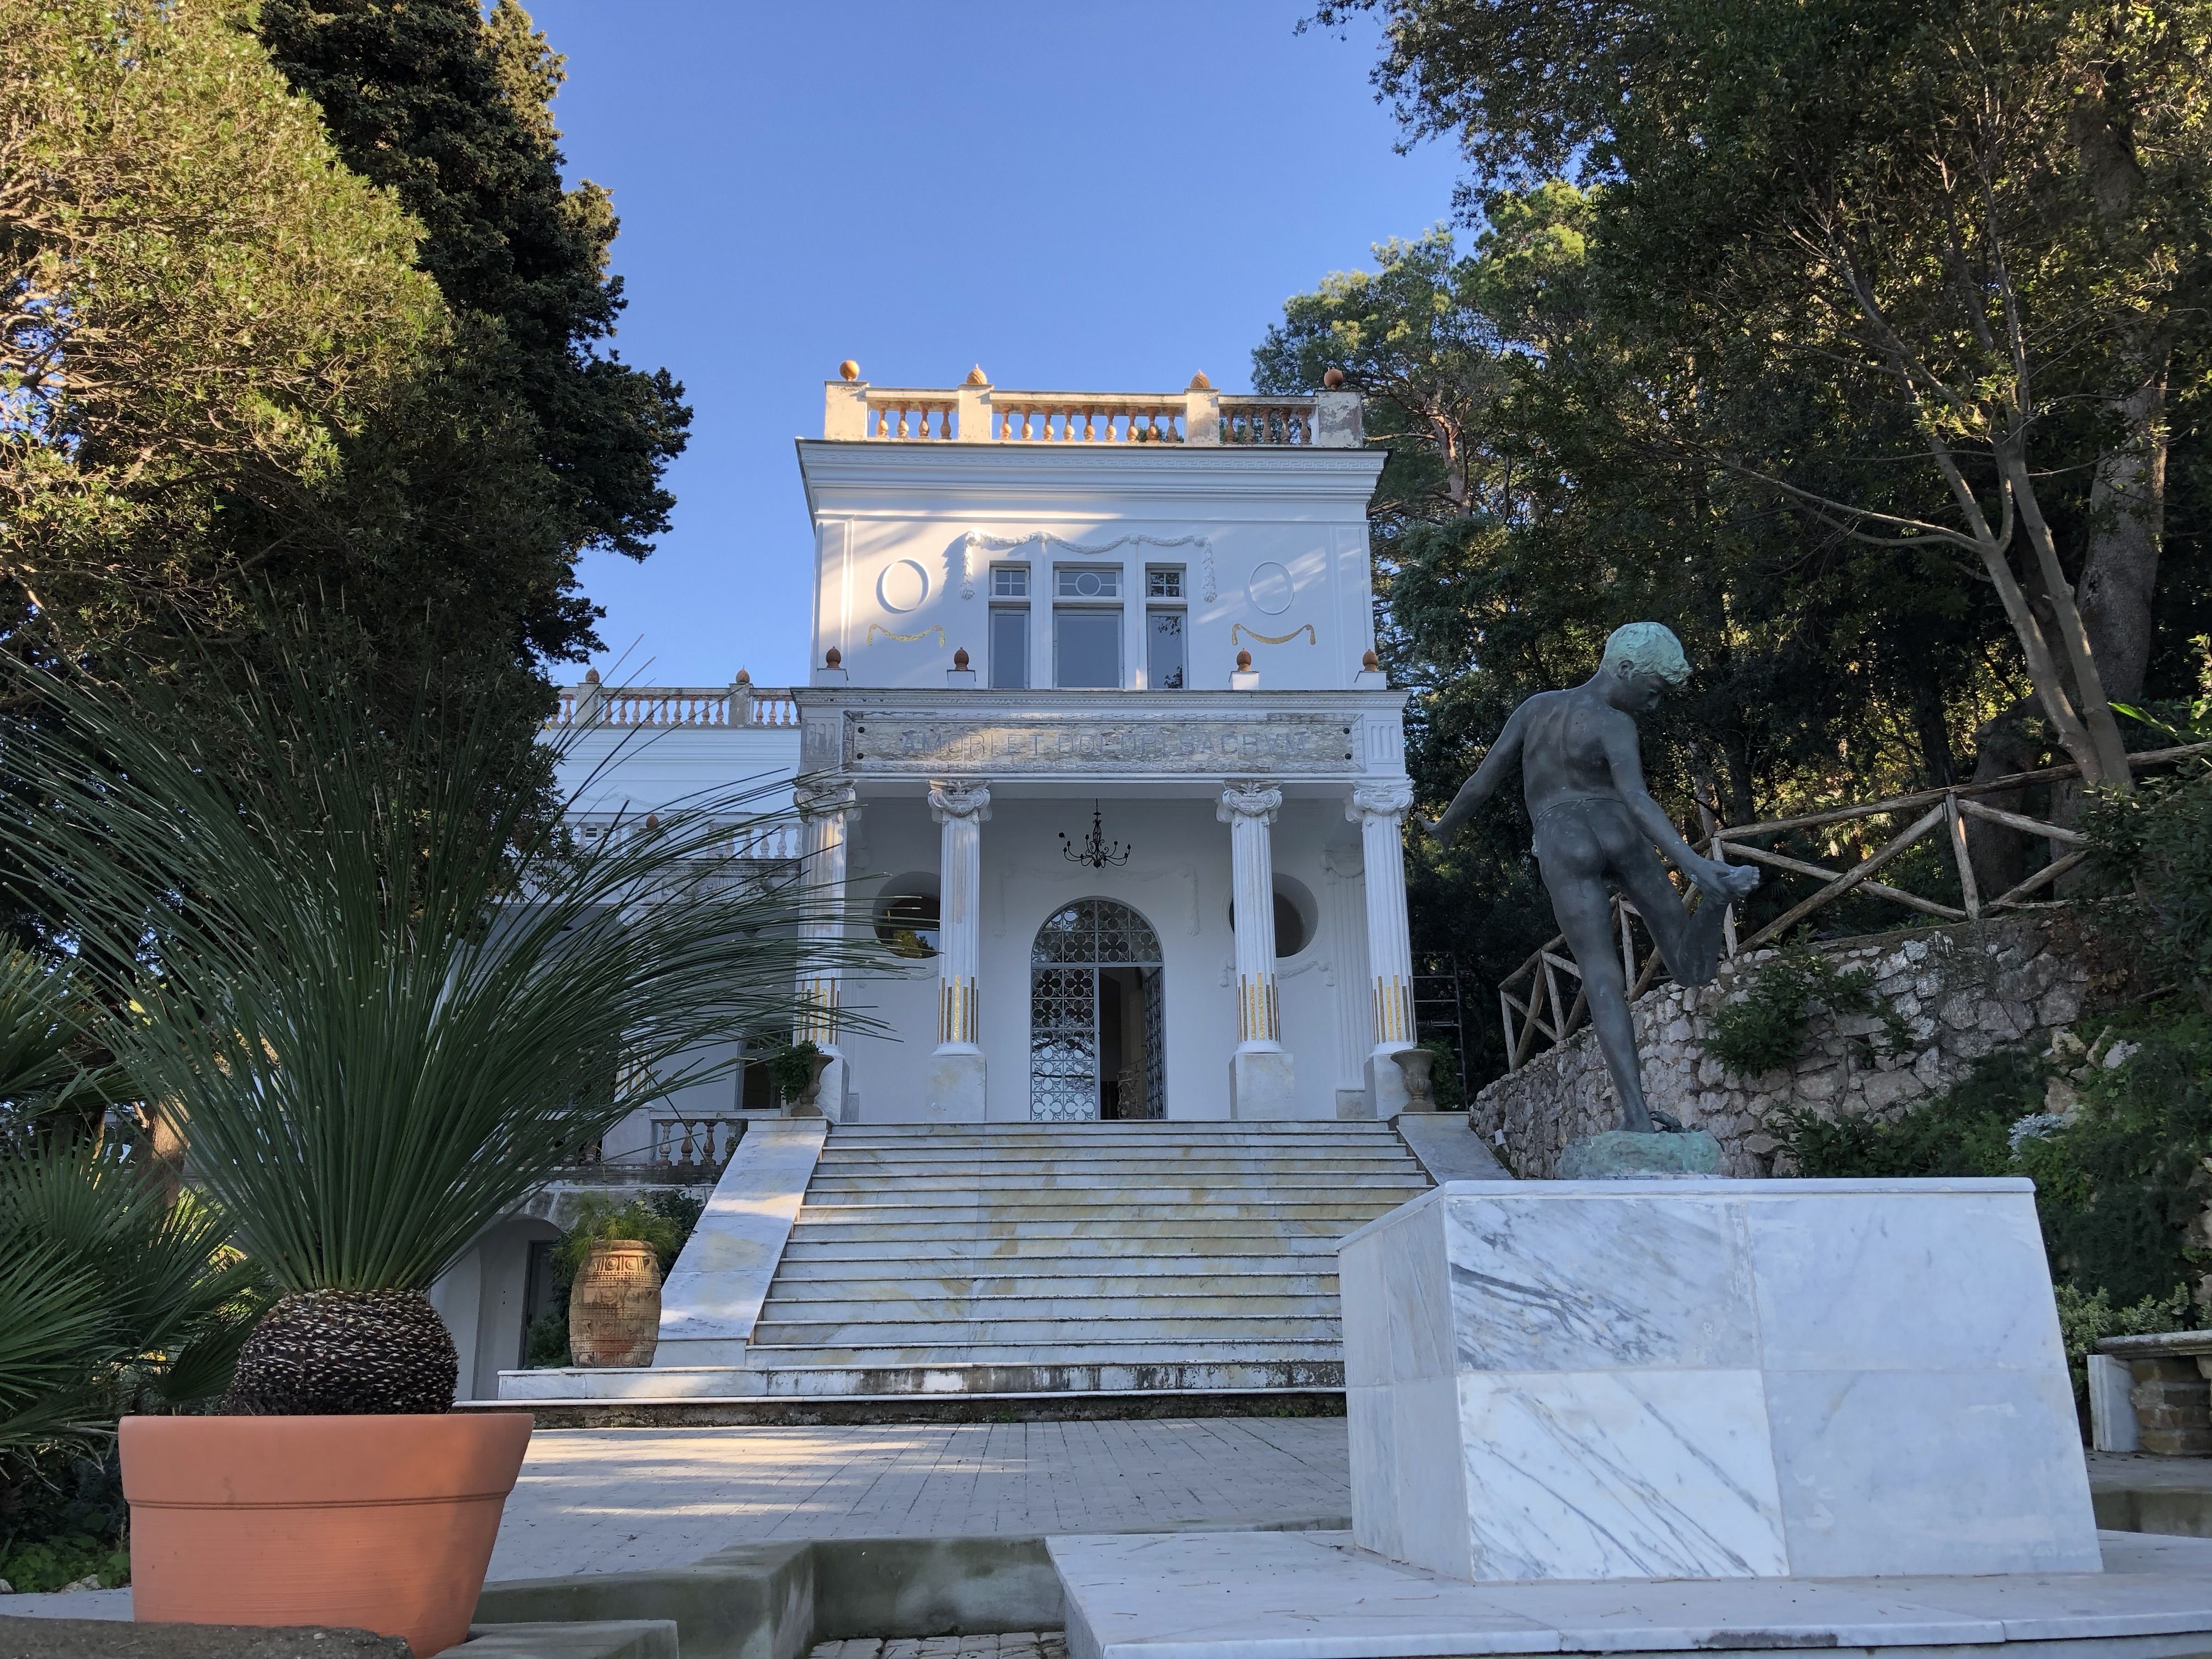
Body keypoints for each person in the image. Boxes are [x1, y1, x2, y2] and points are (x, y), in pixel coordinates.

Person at [1425, 623, 1760, 1132]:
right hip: (1619, 829)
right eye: (1652, 692)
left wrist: (1445, 827)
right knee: (1693, 970)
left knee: (1601, 974)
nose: (1652, 706)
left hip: (1563, 838)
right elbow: (1638, 801)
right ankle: (1715, 896)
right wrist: (1694, 866)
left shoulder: (1536, 708)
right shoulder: (1614, 723)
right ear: (1623, 670)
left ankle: (1637, 1118)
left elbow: (1483, 780)